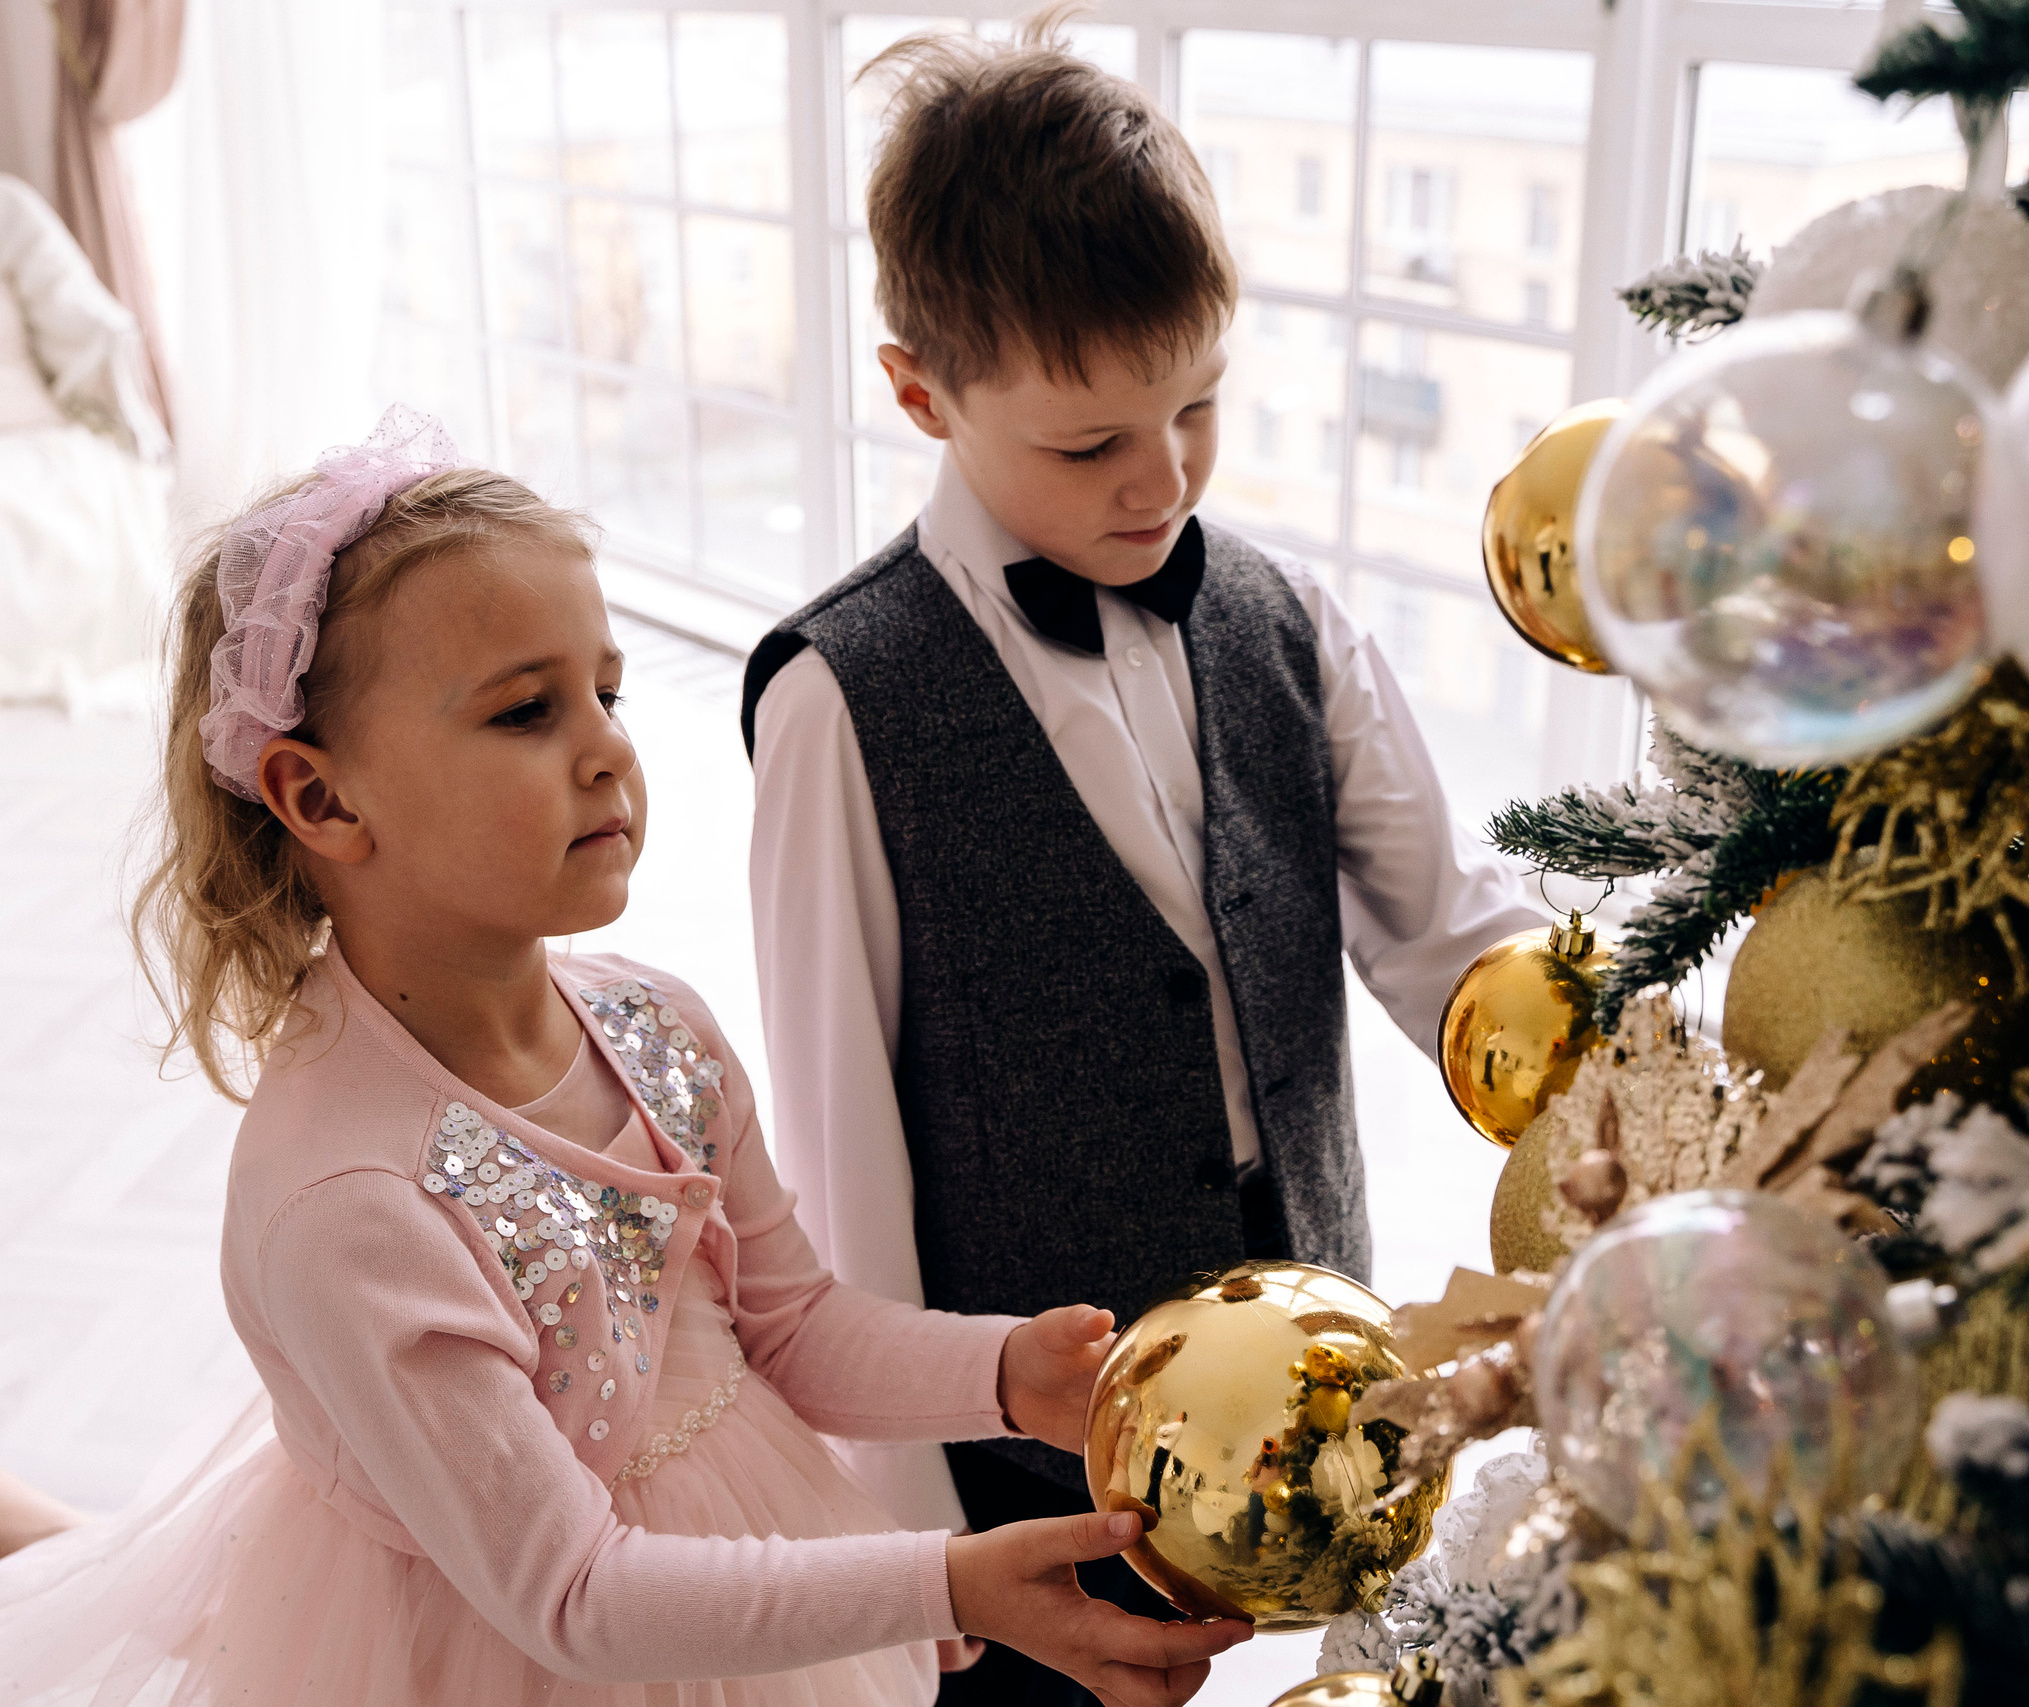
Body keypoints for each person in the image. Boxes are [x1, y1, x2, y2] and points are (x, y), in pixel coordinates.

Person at [0, 409, 1248, 1707]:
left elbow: (791, 1325)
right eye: (528, 711)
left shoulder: (660, 1028)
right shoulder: (351, 1209)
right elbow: (572, 1596)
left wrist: (999, 1376)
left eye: (607, 692)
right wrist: (941, 1579)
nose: (608, 749)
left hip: (715, 1573)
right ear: (321, 799)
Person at [741, 15, 1545, 1701]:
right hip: (1031, 1440)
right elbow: (842, 1166)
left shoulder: (1281, 614)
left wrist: (1596, 1057)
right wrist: (921, 1569)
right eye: (1089, 443)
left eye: (1199, 408)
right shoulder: (840, 700)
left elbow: (1440, 925)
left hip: (1306, 1360)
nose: (1163, 480)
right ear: (919, 391)